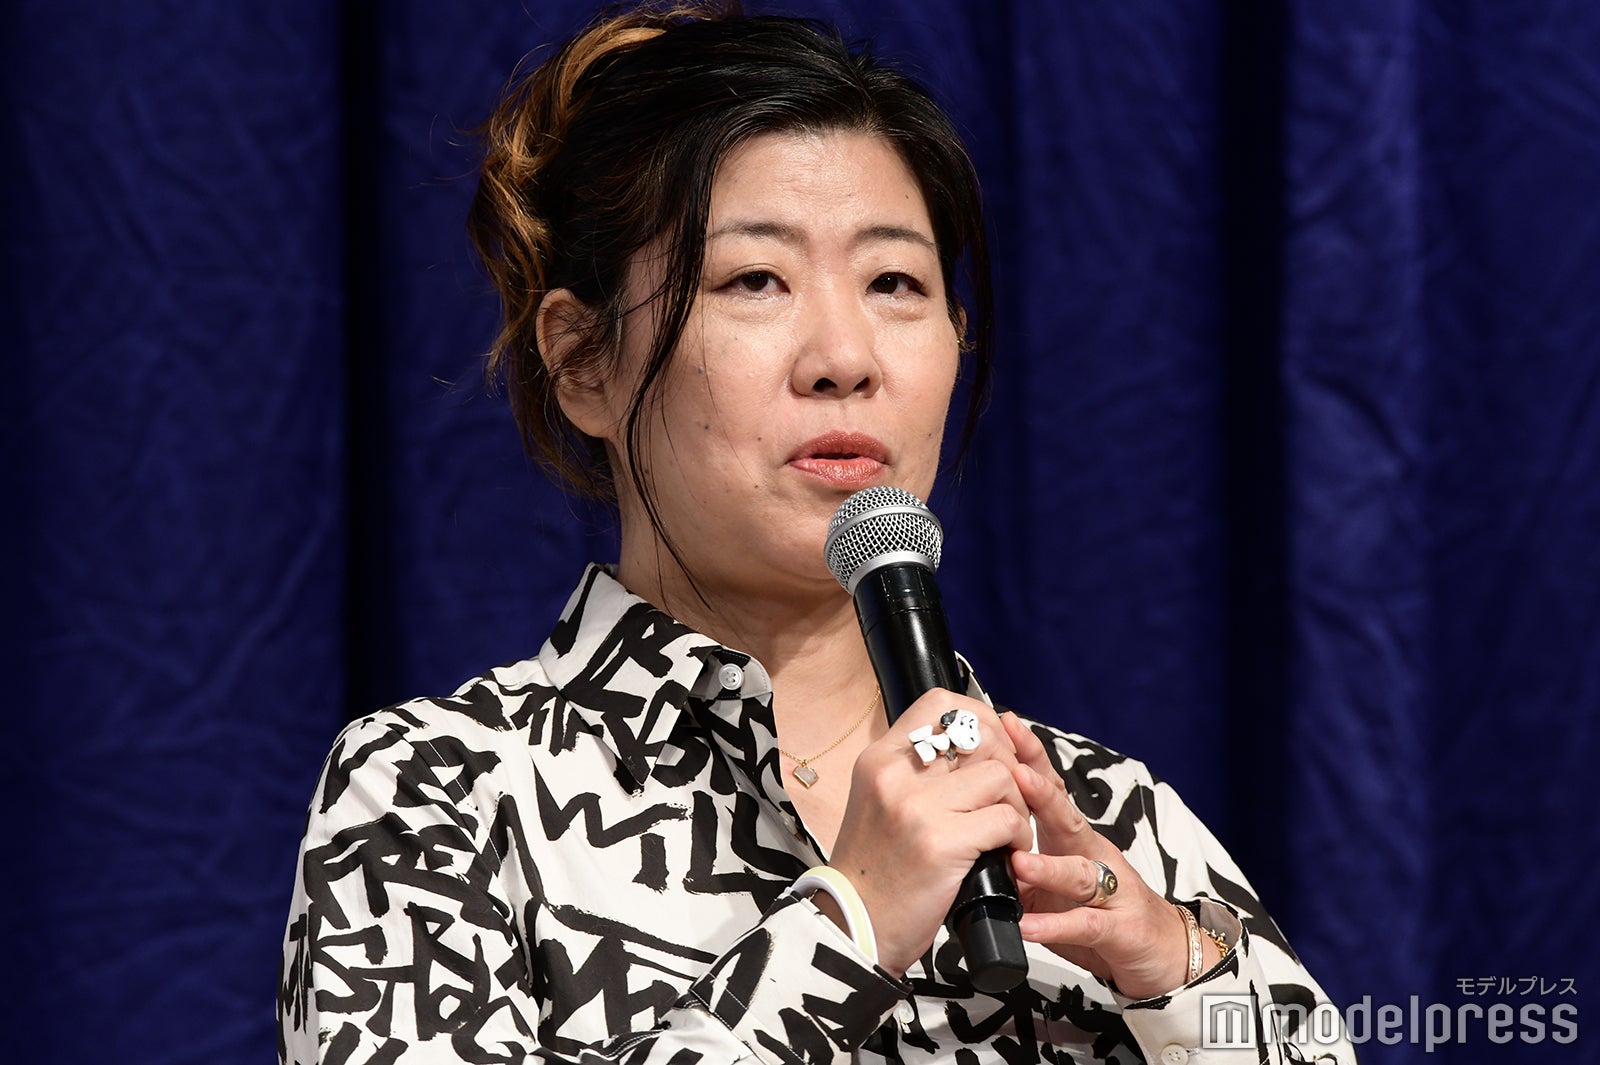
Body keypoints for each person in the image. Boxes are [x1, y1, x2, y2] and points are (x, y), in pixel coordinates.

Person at [278, 4, 1356, 1063]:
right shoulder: (439, 791)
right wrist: (850, 924)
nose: (845, 357)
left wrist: (1175, 963)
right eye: (755, 280)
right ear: (582, 361)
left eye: (894, 283)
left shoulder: (1101, 811)